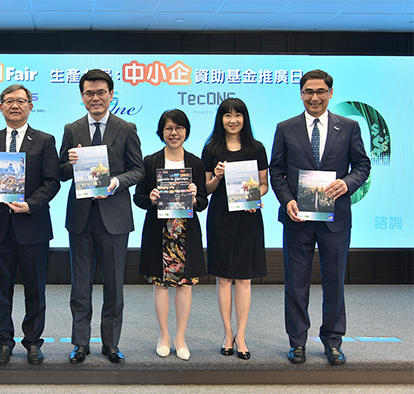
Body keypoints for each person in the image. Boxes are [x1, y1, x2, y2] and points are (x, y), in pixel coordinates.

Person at [269, 69, 370, 365]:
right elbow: (276, 171)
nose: (314, 97)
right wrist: (287, 200)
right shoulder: (286, 128)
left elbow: (362, 166)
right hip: (298, 218)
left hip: (335, 219)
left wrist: (347, 183)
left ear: (330, 93)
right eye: (309, 92)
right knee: (296, 283)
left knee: (334, 281)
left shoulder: (349, 127)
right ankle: (297, 342)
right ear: (301, 94)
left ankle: (333, 341)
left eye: (320, 91)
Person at [59, 69, 144, 364]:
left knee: (114, 284)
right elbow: (59, 172)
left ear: (110, 94)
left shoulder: (127, 128)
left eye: (100, 93)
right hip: (81, 217)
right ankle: (80, 343)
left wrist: (115, 182)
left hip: (115, 216)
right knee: (80, 283)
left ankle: (111, 344)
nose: (95, 98)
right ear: (82, 97)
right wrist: (69, 163)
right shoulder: (72, 129)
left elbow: (138, 170)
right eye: (89, 93)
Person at [0, 84, 60, 365]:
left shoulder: (45, 140)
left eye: (21, 101)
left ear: (30, 106)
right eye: (9, 101)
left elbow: (52, 182)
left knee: (35, 288)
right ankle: (4, 341)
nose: (15, 105)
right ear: (0, 107)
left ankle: (33, 342)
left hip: (32, 225)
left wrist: (30, 204)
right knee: (0, 288)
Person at [133, 109, 207, 361]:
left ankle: (181, 337)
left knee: (185, 286)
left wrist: (196, 197)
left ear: (186, 131)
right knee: (161, 284)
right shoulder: (150, 161)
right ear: (161, 132)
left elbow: (204, 202)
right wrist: (151, 198)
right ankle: (164, 335)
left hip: (186, 231)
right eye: (168, 128)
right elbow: (138, 197)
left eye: (178, 128)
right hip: (159, 231)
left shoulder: (195, 162)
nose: (173, 133)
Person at [202, 98, 268, 361]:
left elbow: (264, 184)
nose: (233, 120)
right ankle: (227, 333)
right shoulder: (211, 149)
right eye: (227, 115)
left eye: (238, 115)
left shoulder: (257, 148)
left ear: (245, 118)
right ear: (220, 119)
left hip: (248, 218)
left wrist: (256, 198)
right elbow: (206, 189)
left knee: (244, 278)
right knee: (224, 279)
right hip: (220, 218)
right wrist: (216, 176)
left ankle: (241, 335)